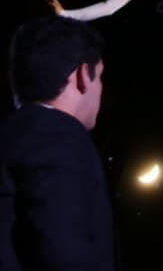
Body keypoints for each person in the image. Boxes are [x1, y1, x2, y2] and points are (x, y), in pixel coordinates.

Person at [1, 16, 115, 270]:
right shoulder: (58, 135)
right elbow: (63, 252)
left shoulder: (14, 136)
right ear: (83, 75)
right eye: (101, 77)